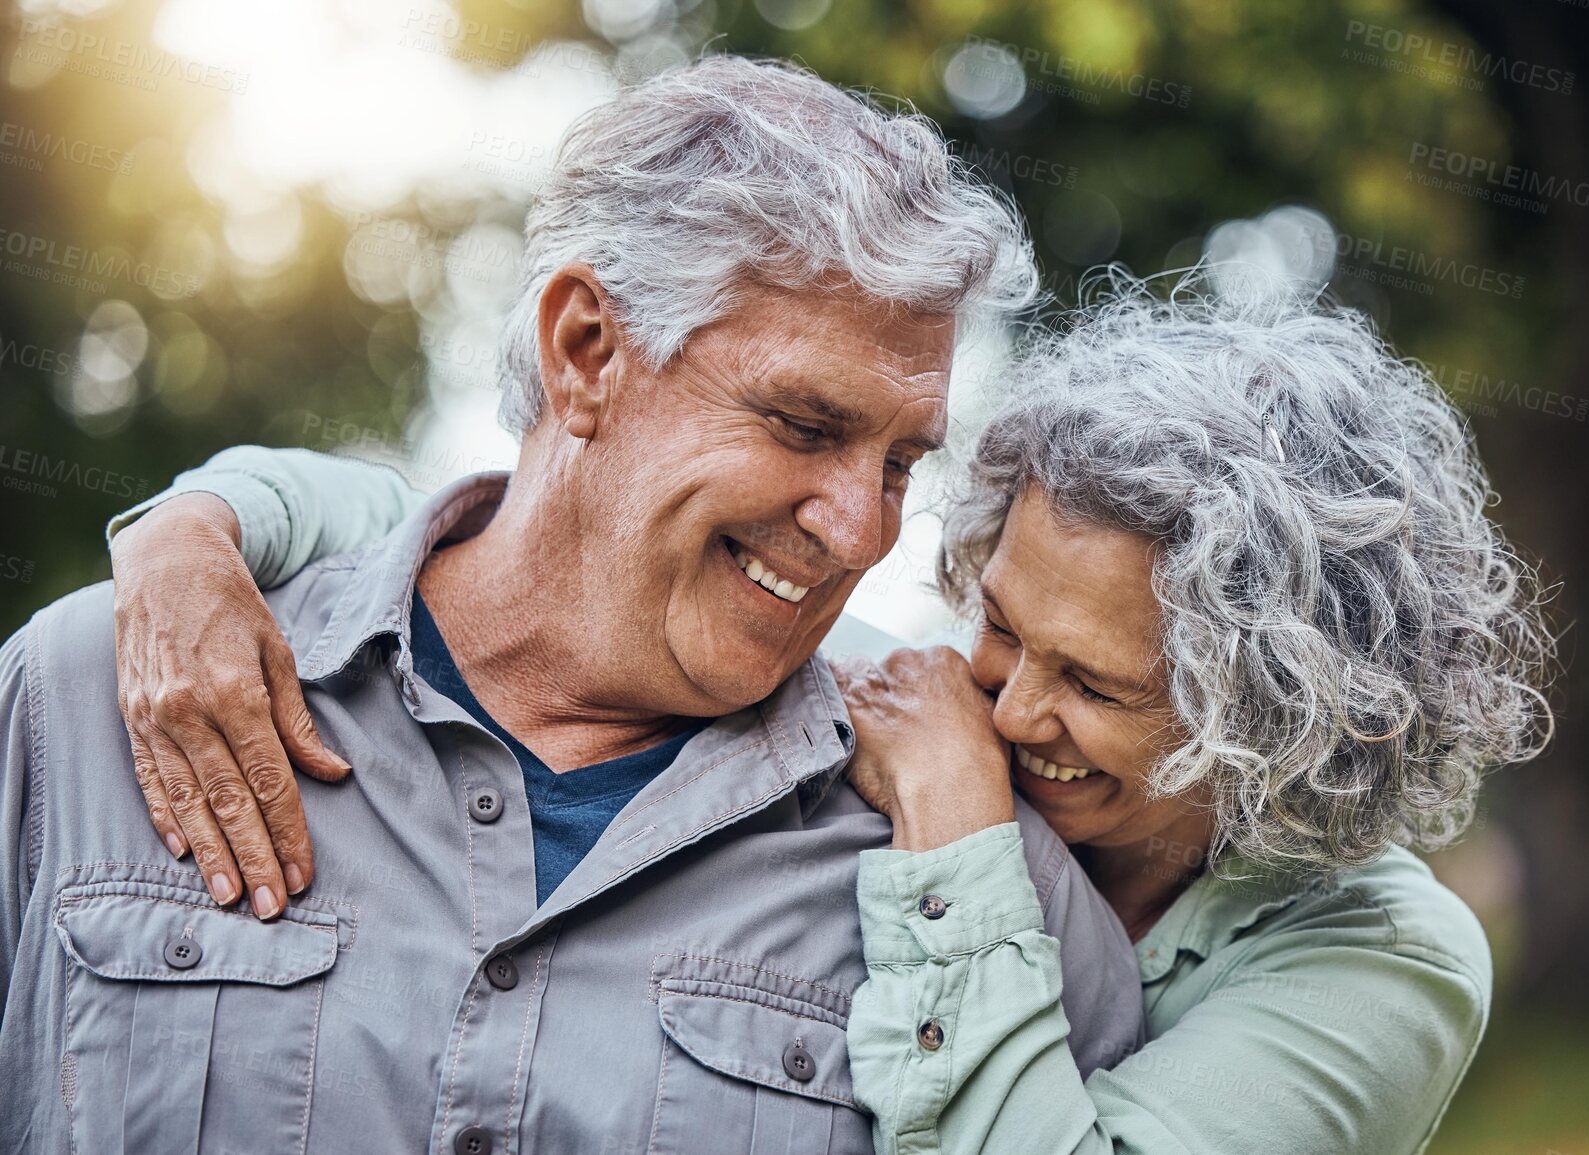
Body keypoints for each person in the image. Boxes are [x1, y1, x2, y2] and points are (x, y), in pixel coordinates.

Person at [100, 277, 1555, 1154]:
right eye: (996, 618)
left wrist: (962, 839)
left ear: (1274, 729)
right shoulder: (924, 700)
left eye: (1096, 685)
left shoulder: (1385, 962)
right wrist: (201, 522)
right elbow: (524, 538)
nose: (1007, 698)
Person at [0, 57, 1147, 1155]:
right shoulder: (88, 700)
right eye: (804, 426)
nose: (862, 531)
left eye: (900, 464)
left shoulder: (974, 869)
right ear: (584, 352)